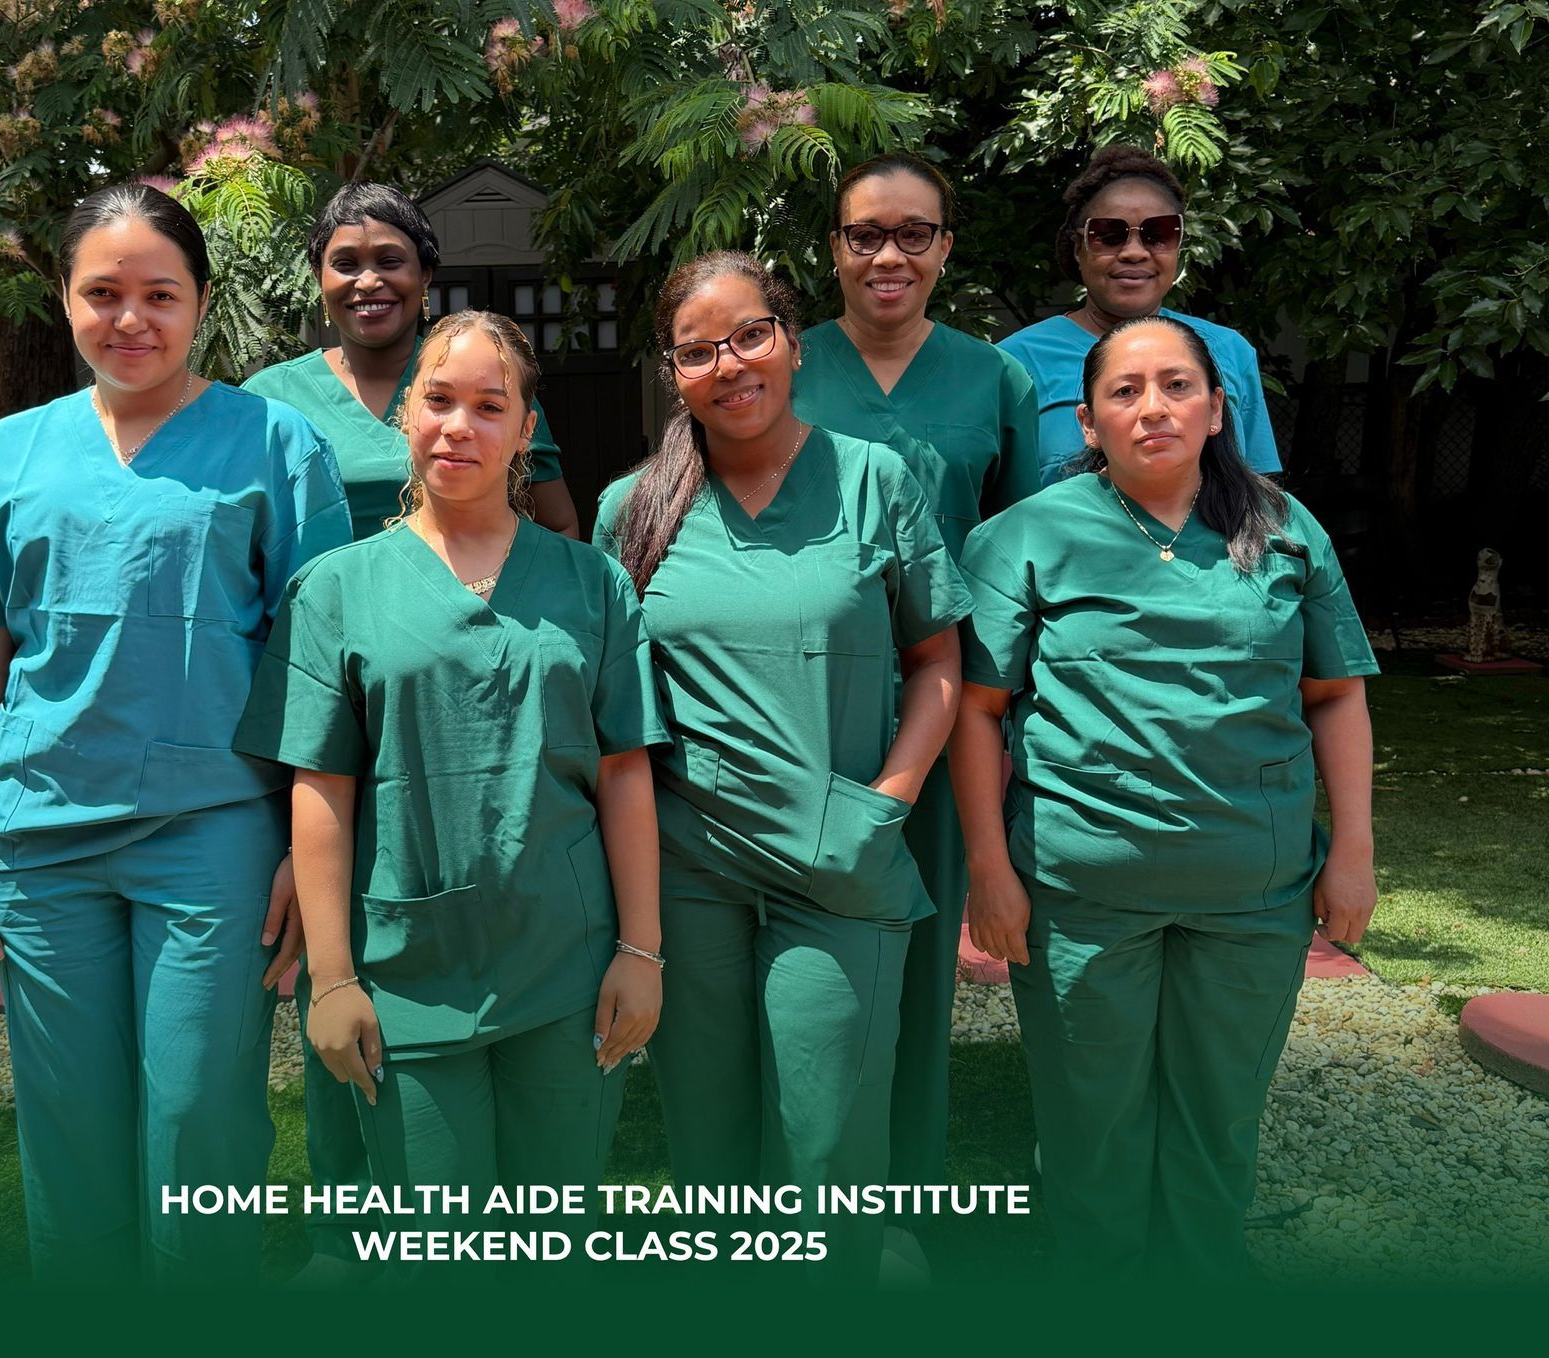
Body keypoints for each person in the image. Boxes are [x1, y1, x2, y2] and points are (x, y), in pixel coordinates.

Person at [0, 183, 351, 1283]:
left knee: (201, 1126)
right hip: (40, 838)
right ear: (64, 302)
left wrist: (313, 859)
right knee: (70, 1139)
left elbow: (323, 664)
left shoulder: (274, 442)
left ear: (201, 302)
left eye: (159, 293)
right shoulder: (11, 453)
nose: (131, 319)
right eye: (101, 293)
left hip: (213, 834)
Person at [952, 315, 1379, 1279]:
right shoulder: (1024, 536)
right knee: (1089, 1128)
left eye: (1178, 385)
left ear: (1218, 408)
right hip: (1081, 897)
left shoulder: (1281, 529)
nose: (1154, 408)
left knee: (1218, 1124)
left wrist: (1352, 850)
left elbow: (1336, 693)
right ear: (1088, 423)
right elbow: (977, 713)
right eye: (1125, 391)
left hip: (1253, 894)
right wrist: (989, 865)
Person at [235, 311, 664, 1255]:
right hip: (406, 978)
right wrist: (333, 978)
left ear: (525, 430)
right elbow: (322, 791)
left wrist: (643, 951)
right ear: (405, 415)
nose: (457, 426)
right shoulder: (335, 589)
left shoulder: (592, 584)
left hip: (568, 969)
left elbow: (625, 772)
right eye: (437, 400)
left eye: (487, 405)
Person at [594, 252, 971, 1283]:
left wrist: (884, 805)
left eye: (751, 333)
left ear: (794, 342)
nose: (731, 362)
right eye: (699, 349)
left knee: (828, 1141)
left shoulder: (874, 478)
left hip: (838, 862)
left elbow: (937, 659)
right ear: (674, 374)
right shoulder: (631, 509)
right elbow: (613, 719)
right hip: (687, 868)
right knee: (709, 1156)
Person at [791, 153, 1040, 1206]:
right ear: (834, 247)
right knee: (804, 947)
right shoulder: (780, 364)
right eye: (865, 234)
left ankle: (902, 1197)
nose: (888, 255)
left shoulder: (995, 380)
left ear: (945, 247)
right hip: (799, 699)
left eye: (913, 233)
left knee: (922, 948)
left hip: (947, 704)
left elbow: (1030, 549)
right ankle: (794, 1180)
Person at [243, 181, 580, 541]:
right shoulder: (269, 398)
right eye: (345, 264)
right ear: (318, 278)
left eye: (389, 261)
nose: (369, 281)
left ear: (425, 276)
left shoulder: (490, 380)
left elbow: (556, 525)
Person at [999, 145, 1284, 486]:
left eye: (1158, 234)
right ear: (1078, 248)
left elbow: (1258, 491)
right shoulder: (1015, 363)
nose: (1134, 252)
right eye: (1108, 235)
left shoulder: (1228, 350)